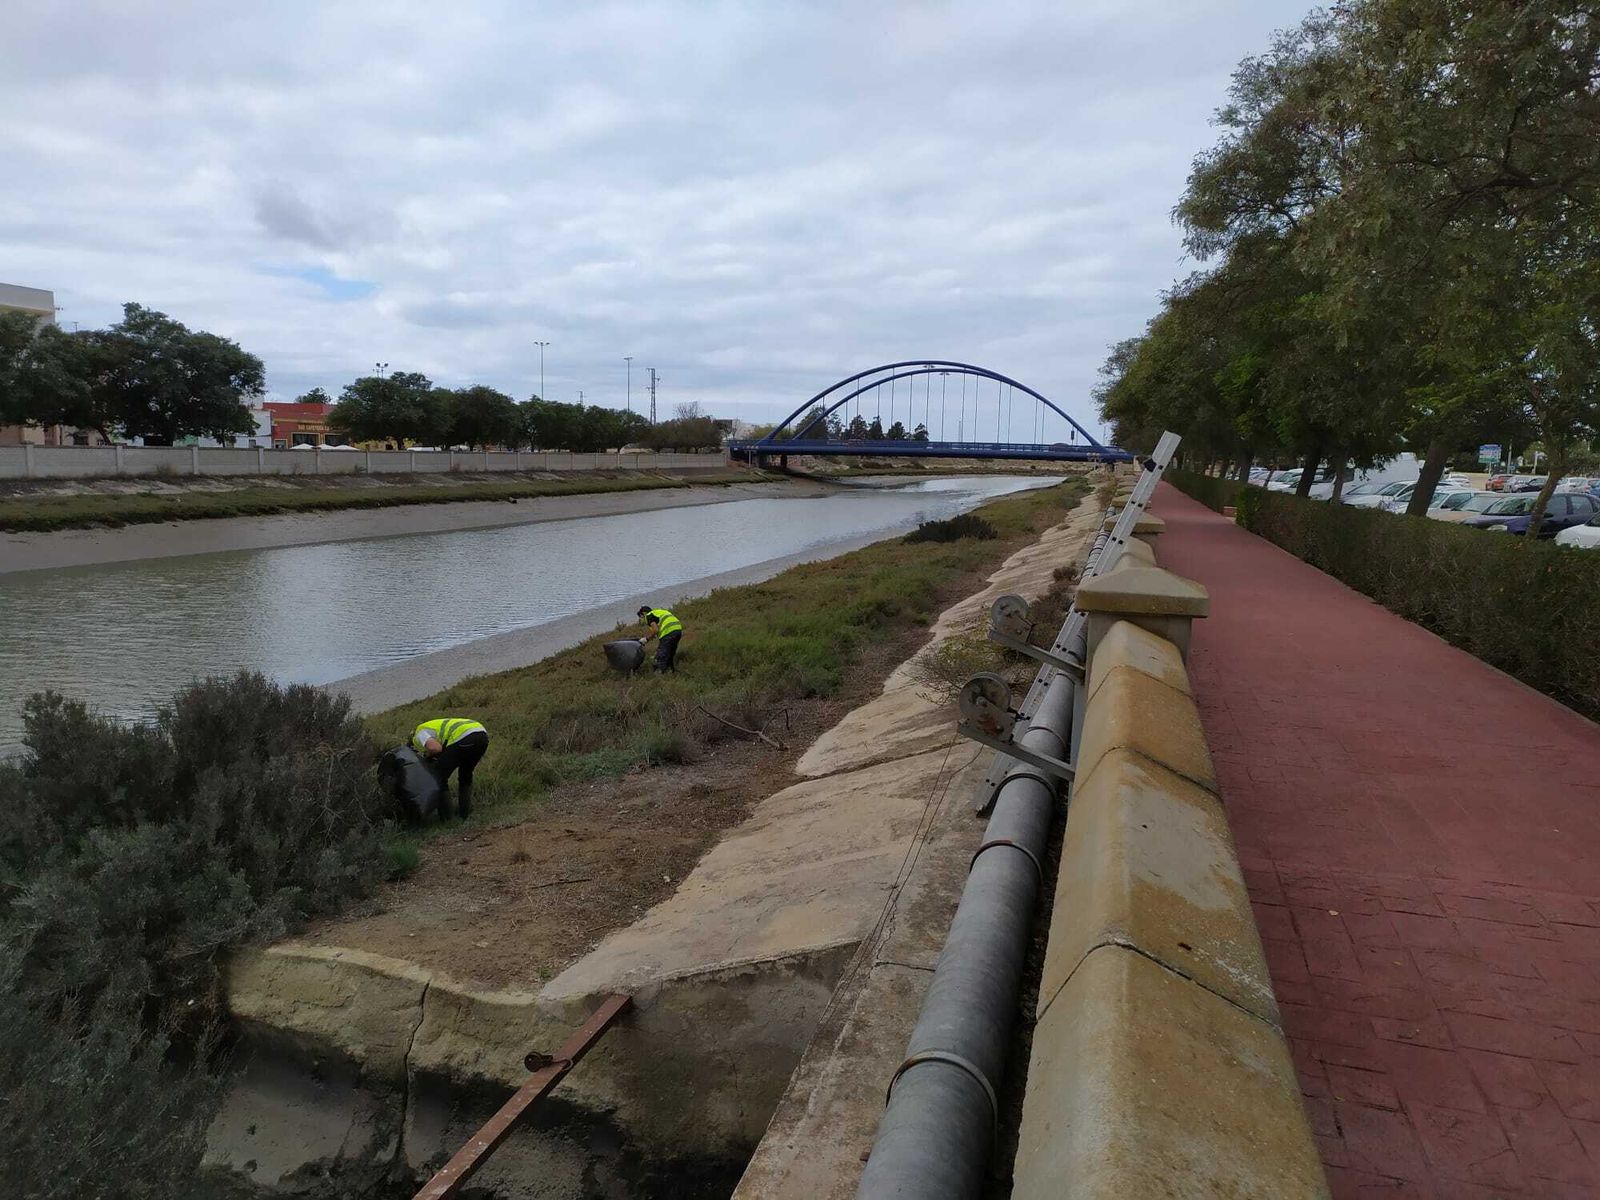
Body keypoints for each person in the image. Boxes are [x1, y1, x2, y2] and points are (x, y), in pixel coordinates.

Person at [411, 716, 489, 818]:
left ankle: (448, 818)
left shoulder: (419, 733)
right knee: (465, 775)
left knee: (438, 777)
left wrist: (428, 756)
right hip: (481, 736)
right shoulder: (433, 725)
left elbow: (436, 748)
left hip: (464, 737)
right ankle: (465, 814)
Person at [637, 604, 683, 673]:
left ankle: (660, 673)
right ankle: (671, 671)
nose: (641, 619)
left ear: (643, 613)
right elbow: (657, 631)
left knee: (661, 655)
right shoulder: (659, 612)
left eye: (641, 617)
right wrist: (651, 637)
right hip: (678, 630)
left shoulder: (649, 616)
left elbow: (656, 630)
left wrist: (646, 639)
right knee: (670, 653)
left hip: (668, 632)